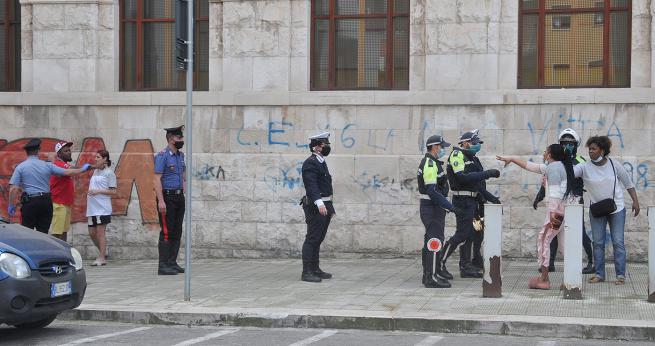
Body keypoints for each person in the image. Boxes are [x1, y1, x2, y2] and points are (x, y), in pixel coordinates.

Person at [497, 144, 576, 289]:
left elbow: (555, 193)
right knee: (566, 246)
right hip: (566, 211)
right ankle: (571, 280)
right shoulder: (558, 166)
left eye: (546, 151)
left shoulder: (553, 168)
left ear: (550, 154)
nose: (544, 153)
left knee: (544, 239)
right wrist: (513, 158)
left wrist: (552, 214)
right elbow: (530, 166)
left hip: (557, 212)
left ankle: (544, 279)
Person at [573, 135, 639, 285]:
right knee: (598, 243)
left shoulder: (614, 165)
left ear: (602, 150)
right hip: (597, 210)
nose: (590, 152)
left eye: (594, 149)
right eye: (589, 149)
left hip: (617, 209)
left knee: (618, 242)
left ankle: (621, 275)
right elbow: (570, 173)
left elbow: (628, 183)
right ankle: (599, 274)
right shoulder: (584, 167)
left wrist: (635, 201)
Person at [440, 129, 501, 279]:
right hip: (463, 201)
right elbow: (462, 178)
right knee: (463, 233)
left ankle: (471, 263)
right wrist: (488, 173)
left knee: (477, 232)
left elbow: (478, 185)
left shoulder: (473, 158)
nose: (477, 145)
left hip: (474, 201)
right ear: (465, 143)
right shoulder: (457, 155)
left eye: (478, 143)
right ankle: (440, 262)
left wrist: (492, 198)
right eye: (474, 143)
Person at [533, 128, 594, 274]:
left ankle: (591, 262)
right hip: (558, 203)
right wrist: (539, 196)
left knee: (579, 232)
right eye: (564, 143)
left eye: (571, 144)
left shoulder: (580, 161)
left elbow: (590, 180)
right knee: (553, 230)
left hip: (575, 202)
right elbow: (549, 180)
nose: (567, 146)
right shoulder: (556, 162)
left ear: (576, 145)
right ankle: (550, 263)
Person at [7, 138, 90, 233]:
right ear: (38, 151)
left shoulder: (21, 167)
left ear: (26, 152)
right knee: (43, 233)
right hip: (46, 203)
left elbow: (14, 188)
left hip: (30, 203)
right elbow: (67, 172)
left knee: (27, 233)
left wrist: (11, 204)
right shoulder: (47, 165)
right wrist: (82, 169)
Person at [417, 135, 463, 288]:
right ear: (435, 147)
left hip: (434, 207)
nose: (443, 149)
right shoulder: (430, 164)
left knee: (431, 241)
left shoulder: (433, 163)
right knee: (434, 242)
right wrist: (451, 207)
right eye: (441, 146)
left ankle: (429, 274)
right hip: (432, 207)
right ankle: (431, 277)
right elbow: (432, 191)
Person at [300, 132, 335, 283]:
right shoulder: (311, 162)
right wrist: (320, 203)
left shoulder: (320, 161)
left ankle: (315, 268)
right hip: (316, 206)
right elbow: (311, 185)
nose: (327, 147)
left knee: (319, 238)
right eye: (324, 144)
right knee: (312, 238)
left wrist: (329, 207)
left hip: (325, 204)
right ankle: (307, 272)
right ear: (316, 147)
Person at [154, 125, 187, 275]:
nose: (181, 140)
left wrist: (184, 187)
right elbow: (156, 179)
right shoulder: (162, 156)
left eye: (181, 137)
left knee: (177, 231)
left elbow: (183, 174)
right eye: (179, 137)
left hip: (179, 197)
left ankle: (172, 262)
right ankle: (163, 265)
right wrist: (161, 201)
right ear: (170, 139)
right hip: (167, 197)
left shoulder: (180, 156)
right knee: (167, 231)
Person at [86, 150, 117, 266]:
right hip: (92, 207)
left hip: (102, 207)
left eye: (98, 157)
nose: (96, 159)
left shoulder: (109, 173)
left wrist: (98, 191)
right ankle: (103, 251)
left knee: (100, 232)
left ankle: (102, 257)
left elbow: (113, 191)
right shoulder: (95, 171)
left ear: (105, 159)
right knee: (92, 232)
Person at [49, 141, 75, 242]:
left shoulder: (63, 164)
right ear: (59, 154)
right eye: (66, 151)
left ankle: (64, 254)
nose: (69, 152)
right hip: (58, 203)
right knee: (57, 233)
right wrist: (93, 166)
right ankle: (54, 255)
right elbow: (75, 169)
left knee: (64, 231)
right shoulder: (58, 164)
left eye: (69, 150)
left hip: (65, 203)